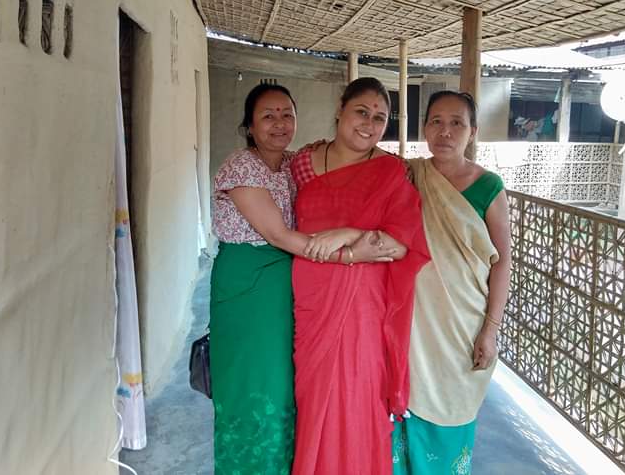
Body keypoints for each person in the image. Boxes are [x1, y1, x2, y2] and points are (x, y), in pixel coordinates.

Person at [210, 83, 395, 475]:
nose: (279, 124)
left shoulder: (296, 164)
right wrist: (351, 254)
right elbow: (279, 235)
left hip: (290, 285)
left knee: (283, 390)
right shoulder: (241, 166)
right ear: (249, 126)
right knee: (249, 388)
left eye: (287, 115)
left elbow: (341, 164)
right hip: (249, 289)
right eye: (268, 116)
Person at [290, 77, 430, 475]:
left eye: (380, 118)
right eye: (361, 112)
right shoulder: (302, 162)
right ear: (340, 109)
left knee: (357, 393)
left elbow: (403, 245)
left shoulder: (390, 171)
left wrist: (349, 234)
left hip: (363, 304)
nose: (369, 124)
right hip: (312, 297)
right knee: (315, 396)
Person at [392, 91, 511, 475]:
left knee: (451, 416)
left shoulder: (488, 186)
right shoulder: (409, 175)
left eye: (456, 123)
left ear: (472, 131)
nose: (445, 132)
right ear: (424, 128)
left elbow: (503, 260)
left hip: (462, 322)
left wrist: (490, 329)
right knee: (402, 412)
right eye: (436, 122)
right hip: (412, 322)